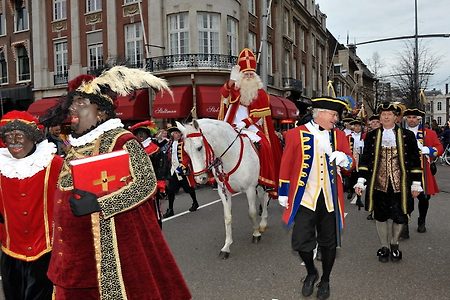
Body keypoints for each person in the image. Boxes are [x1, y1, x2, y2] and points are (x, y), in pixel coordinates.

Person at [43, 68, 191, 299]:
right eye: (72, 103)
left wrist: (101, 204)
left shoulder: (121, 140)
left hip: (106, 251)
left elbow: (145, 183)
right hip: (71, 257)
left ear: (100, 112)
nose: (72, 108)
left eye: (81, 103)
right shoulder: (75, 146)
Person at [278, 97, 353, 300]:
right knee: (301, 242)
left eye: (336, 115)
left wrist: (344, 159)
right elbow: (286, 163)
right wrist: (284, 191)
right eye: (333, 115)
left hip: (329, 198)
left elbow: (350, 163)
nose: (335, 119)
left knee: (329, 243)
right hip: (305, 197)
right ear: (319, 113)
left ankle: (326, 280)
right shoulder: (295, 134)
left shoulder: (339, 136)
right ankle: (312, 272)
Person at [0, 111, 63, 300]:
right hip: (10, 253)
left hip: (46, 253)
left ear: (33, 136)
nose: (14, 141)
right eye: (8, 136)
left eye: (19, 135)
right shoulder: (2, 166)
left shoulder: (54, 164)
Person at [354, 102, 422, 263]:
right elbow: (365, 160)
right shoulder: (372, 136)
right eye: (383, 114)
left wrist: (416, 183)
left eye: (389, 114)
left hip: (401, 184)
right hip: (378, 184)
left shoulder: (407, 135)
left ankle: (394, 243)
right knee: (381, 216)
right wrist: (361, 181)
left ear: (396, 117)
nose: (385, 116)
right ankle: (384, 246)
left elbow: (414, 161)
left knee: (400, 216)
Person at [218, 48, 282, 197]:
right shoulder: (236, 88)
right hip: (232, 122)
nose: (247, 76)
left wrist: (245, 123)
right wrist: (231, 81)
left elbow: (261, 114)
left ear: (254, 76)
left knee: (265, 145)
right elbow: (224, 95)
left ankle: (264, 179)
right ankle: (216, 173)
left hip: (251, 125)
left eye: (250, 74)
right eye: (245, 74)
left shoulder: (261, 94)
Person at [403, 108, 443, 235]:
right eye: (409, 117)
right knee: (405, 198)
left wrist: (429, 150)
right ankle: (404, 223)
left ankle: (422, 220)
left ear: (419, 119)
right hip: (406, 170)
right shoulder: (400, 132)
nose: (411, 120)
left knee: (424, 198)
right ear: (405, 119)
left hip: (423, 170)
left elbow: (439, 148)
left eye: (414, 117)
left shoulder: (429, 133)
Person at [129, 120, 164, 227]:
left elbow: (161, 167)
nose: (140, 136)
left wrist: (160, 182)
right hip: (138, 185)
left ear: (147, 134)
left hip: (153, 184)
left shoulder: (155, 150)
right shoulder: (132, 150)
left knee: (154, 210)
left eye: (142, 133)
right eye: (138, 134)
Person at [163, 126, 199, 218]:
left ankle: (195, 202)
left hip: (182, 171)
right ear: (172, 135)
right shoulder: (170, 144)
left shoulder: (184, 143)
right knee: (171, 191)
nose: (177, 134)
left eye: (178, 132)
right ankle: (170, 209)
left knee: (189, 188)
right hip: (173, 171)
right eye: (175, 133)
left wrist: (181, 167)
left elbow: (187, 156)